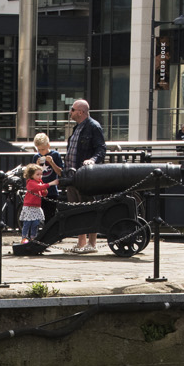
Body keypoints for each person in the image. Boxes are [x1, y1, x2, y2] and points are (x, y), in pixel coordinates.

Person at [64, 100, 107, 252]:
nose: (71, 112)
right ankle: (81, 242)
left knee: (89, 207)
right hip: (72, 175)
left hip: (85, 176)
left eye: (73, 109)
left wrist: (92, 160)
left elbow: (101, 149)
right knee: (76, 209)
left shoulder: (93, 127)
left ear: (81, 112)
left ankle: (92, 244)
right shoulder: (77, 128)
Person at [19, 163, 51, 241]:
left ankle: (33, 237)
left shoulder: (39, 182)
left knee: (36, 223)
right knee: (27, 223)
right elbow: (37, 188)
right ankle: (24, 237)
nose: (40, 176)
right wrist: (49, 184)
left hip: (36, 206)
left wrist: (45, 191)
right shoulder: (30, 182)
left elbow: (42, 193)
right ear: (31, 175)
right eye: (37, 174)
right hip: (29, 206)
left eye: (41, 174)